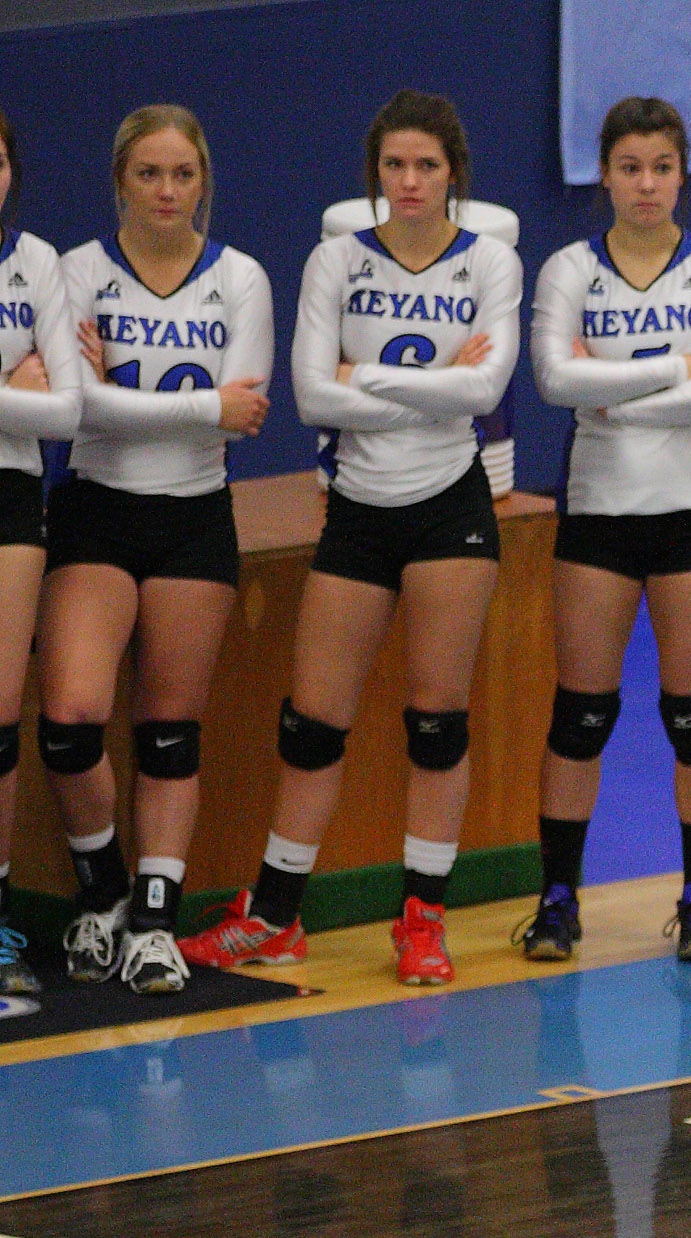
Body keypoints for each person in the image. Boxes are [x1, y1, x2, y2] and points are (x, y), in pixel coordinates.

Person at [182, 90, 519, 987]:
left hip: (452, 503)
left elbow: (484, 398)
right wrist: (432, 377)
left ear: (453, 174)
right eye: (395, 166)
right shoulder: (337, 260)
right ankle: (278, 916)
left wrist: (360, 374)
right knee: (311, 724)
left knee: (437, 722)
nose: (409, 182)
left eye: (426, 166)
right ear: (375, 172)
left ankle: (422, 920)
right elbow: (308, 400)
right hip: (360, 509)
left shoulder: (488, 262)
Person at [524, 96, 691, 964]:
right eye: (630, 168)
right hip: (598, 515)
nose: (646, 185)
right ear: (606, 175)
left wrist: (614, 384)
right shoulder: (567, 272)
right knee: (581, 714)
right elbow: (555, 381)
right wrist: (676, 369)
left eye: (661, 168)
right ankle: (558, 897)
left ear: (682, 175)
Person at [40, 105, 269, 995]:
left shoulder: (240, 277)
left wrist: (123, 394)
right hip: (97, 509)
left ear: (203, 181)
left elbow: (245, 413)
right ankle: (101, 896)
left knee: (170, 732)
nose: (167, 191)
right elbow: (79, 412)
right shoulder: (78, 272)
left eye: (182, 174)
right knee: (69, 720)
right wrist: (201, 405)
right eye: (149, 174)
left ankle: (155, 922)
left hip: (193, 516)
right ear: (119, 182)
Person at [0, 105, 83, 997]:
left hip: (11, 496)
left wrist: (27, 401)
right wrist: (11, 387)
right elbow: (38, 398)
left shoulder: (37, 263)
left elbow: (65, 413)